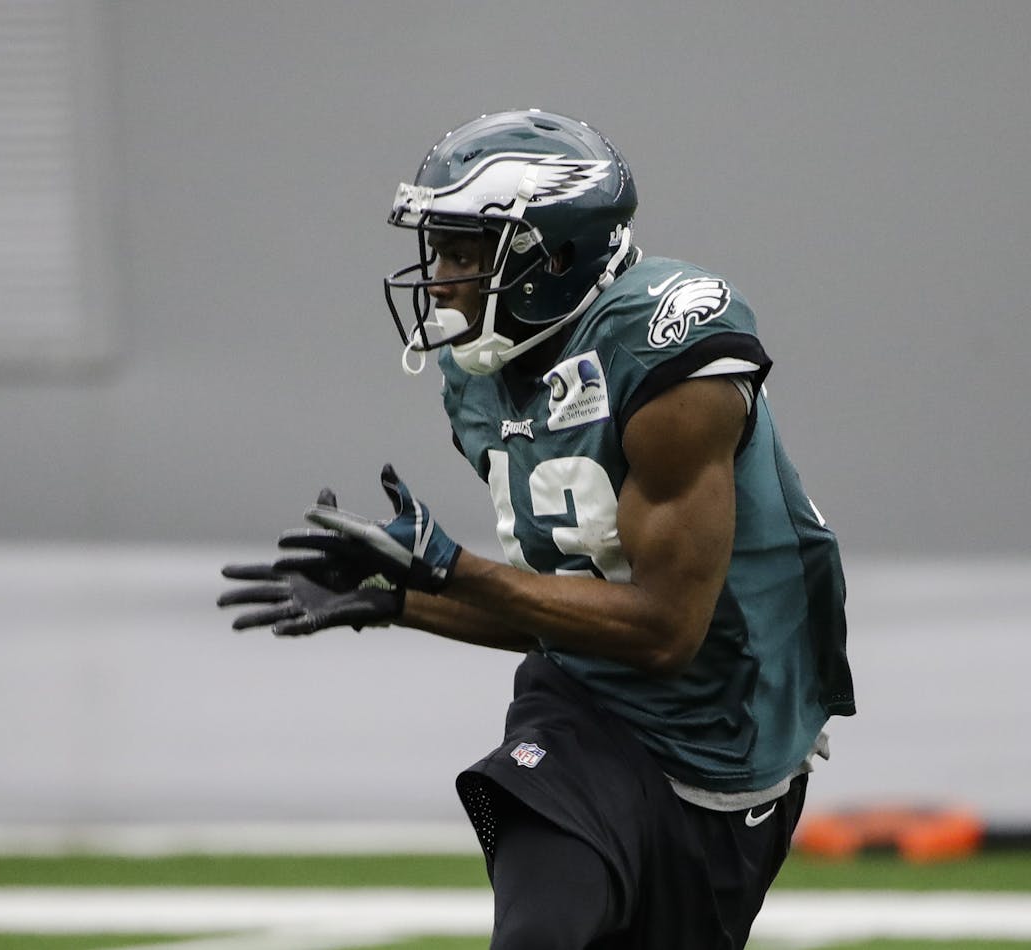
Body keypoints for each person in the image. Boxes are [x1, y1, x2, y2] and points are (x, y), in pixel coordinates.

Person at [217, 109, 854, 950]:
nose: (439, 278)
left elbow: (664, 630)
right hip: (584, 716)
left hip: (736, 736)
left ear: (553, 256)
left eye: (465, 252)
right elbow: (562, 606)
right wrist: (401, 598)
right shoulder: (480, 375)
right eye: (437, 248)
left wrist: (450, 572)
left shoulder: (664, 351)